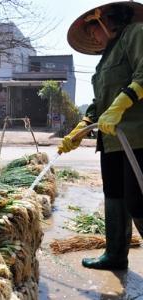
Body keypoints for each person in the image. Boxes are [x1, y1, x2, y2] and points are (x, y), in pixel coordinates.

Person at [59, 1, 143, 270]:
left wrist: (121, 104)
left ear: (106, 21)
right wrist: (79, 129)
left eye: (93, 29)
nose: (92, 36)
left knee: (138, 200)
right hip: (110, 140)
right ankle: (115, 255)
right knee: (114, 196)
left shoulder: (135, 34)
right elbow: (98, 103)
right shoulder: (106, 58)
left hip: (136, 136)